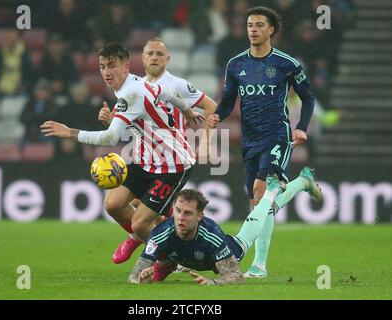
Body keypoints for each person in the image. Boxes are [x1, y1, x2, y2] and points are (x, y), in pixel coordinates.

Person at [40, 43, 204, 250]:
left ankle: (167, 256)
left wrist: (70, 133)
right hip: (148, 162)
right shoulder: (135, 84)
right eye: (102, 66)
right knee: (113, 204)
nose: (107, 72)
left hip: (173, 164)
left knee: (139, 223)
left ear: (126, 66)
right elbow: (169, 94)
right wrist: (187, 111)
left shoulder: (131, 94)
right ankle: (157, 241)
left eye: (112, 65)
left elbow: (110, 138)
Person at [207, 7, 321, 278]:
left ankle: (253, 263)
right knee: (259, 203)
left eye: (259, 25)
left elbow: (308, 97)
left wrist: (301, 127)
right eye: (249, 25)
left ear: (271, 30)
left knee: (261, 191)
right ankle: (302, 183)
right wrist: (216, 116)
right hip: (250, 140)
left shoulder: (286, 63)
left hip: (277, 135)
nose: (253, 29)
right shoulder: (236, 64)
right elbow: (227, 102)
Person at [98, 37, 218, 264]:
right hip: (144, 159)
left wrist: (206, 141)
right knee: (124, 205)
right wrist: (109, 120)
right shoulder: (133, 87)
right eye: (149, 53)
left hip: (171, 161)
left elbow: (211, 107)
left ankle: (146, 243)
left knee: (148, 215)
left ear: (168, 59)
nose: (154, 57)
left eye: (159, 54)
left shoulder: (178, 85)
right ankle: (139, 238)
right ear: (141, 59)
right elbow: (121, 128)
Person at [128, 170, 320, 285]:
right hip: (186, 256)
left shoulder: (212, 237)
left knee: (258, 217)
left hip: (232, 249)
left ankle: (272, 191)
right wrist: (142, 279)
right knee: (268, 209)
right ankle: (302, 181)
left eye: (187, 213)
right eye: (178, 211)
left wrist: (212, 283)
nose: (180, 218)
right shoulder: (161, 233)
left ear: (199, 216)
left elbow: (236, 277)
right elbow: (134, 277)